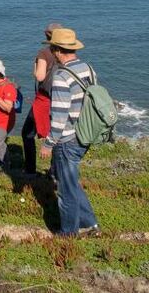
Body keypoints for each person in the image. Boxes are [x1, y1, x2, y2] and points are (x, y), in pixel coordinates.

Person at [40, 28, 99, 237]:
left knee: (65, 191)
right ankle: (90, 223)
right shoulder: (88, 68)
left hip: (67, 139)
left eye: (52, 49)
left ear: (57, 50)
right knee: (71, 182)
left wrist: (48, 144)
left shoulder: (61, 76)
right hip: (86, 134)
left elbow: (59, 116)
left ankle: (68, 234)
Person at [22, 22, 61, 176]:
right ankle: (55, 171)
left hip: (45, 100)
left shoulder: (44, 53)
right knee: (57, 135)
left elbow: (40, 76)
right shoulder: (65, 53)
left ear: (47, 35)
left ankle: (30, 169)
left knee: (27, 133)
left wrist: (35, 65)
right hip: (61, 99)